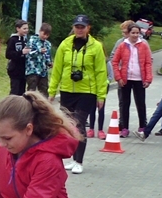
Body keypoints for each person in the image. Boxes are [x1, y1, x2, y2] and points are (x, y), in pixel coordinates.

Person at [48, 14, 108, 174]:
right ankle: (73, 158)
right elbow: (57, 69)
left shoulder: (96, 46)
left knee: (79, 124)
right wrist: (52, 91)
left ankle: (79, 161)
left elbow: (101, 72)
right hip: (67, 90)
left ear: (88, 28)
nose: (79, 30)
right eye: (77, 27)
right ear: (73, 27)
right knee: (68, 125)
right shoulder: (65, 44)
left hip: (87, 91)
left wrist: (101, 95)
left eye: (82, 27)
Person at [111, 23, 153, 138]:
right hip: (126, 79)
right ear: (128, 33)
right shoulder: (122, 45)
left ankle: (142, 127)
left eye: (137, 33)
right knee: (125, 104)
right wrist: (118, 77)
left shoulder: (143, 45)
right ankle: (124, 128)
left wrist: (148, 79)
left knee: (140, 103)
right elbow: (115, 61)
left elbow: (148, 62)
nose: (135, 35)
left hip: (139, 78)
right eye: (133, 33)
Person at [25, 23, 53, 96]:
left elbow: (48, 56)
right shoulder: (32, 40)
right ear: (40, 31)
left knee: (44, 90)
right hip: (33, 69)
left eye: (47, 35)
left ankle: (44, 102)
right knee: (31, 90)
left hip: (43, 71)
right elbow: (28, 53)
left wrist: (49, 63)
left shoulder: (48, 44)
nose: (45, 36)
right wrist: (39, 51)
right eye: (44, 34)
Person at [5, 20, 30, 96]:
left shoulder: (26, 40)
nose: (26, 30)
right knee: (14, 90)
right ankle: (11, 103)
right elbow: (8, 54)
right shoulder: (12, 39)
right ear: (18, 29)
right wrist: (21, 52)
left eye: (27, 28)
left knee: (22, 92)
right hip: (14, 69)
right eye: (24, 28)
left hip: (23, 70)